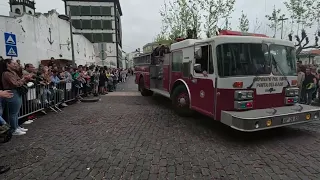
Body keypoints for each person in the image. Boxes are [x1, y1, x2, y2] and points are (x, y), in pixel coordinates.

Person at [1, 59, 32, 135]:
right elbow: (15, 83)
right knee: (13, 113)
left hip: (16, 92)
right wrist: (23, 79)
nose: (15, 64)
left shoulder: (13, 72)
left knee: (16, 112)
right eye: (13, 63)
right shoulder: (6, 73)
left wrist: (22, 80)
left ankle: (17, 126)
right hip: (12, 92)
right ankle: (14, 129)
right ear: (8, 64)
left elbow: (18, 81)